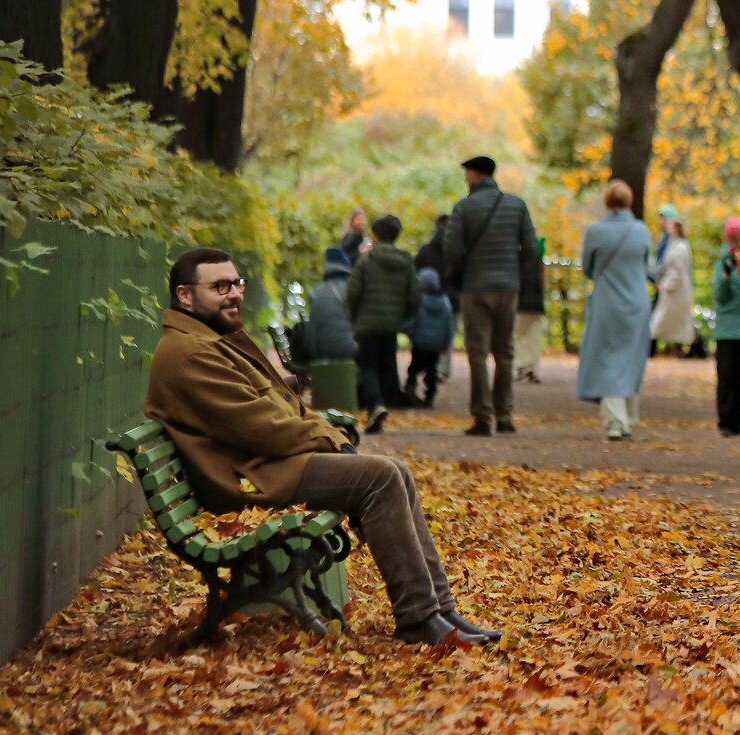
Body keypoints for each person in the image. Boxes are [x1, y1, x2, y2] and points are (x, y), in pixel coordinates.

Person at [144, 247, 502, 646]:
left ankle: (439, 609)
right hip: (248, 476)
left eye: (237, 284)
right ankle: (419, 617)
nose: (235, 294)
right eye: (220, 287)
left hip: (260, 462)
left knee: (394, 470)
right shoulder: (191, 352)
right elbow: (261, 427)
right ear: (185, 295)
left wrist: (325, 433)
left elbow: (273, 408)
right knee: (380, 477)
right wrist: (331, 439)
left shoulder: (207, 339)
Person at [444, 155, 541, 437]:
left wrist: (462, 273)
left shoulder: (464, 207)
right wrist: (516, 276)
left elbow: (451, 249)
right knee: (505, 352)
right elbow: (532, 248)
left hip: (475, 288)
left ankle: (483, 416)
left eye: (467, 174)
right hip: (508, 287)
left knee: (478, 353)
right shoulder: (517, 205)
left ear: (475, 175)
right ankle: (505, 415)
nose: (466, 179)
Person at [576, 180, 652, 441]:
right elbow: (646, 265)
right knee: (632, 357)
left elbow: (587, 268)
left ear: (607, 202)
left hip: (608, 302)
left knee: (607, 357)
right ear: (629, 201)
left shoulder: (595, 231)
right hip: (637, 303)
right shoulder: (641, 230)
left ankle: (615, 421)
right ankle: (629, 417)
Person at [346, 214, 420, 434]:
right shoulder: (406, 262)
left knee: (367, 365)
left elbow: (353, 293)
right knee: (385, 364)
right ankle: (382, 402)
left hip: (367, 323)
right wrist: (400, 316)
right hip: (391, 325)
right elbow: (415, 297)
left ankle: (375, 405)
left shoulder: (366, 260)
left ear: (375, 236)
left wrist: (355, 315)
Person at [712, 216, 740, 436]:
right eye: (735, 238)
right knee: (726, 377)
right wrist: (726, 275)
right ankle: (725, 422)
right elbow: (720, 297)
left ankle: (737, 422)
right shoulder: (723, 263)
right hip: (727, 330)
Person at [416, 214, 457, 381]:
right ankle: (443, 369)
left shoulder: (426, 250)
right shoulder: (456, 251)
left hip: (426, 298)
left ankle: (427, 366)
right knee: (448, 333)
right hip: (452, 298)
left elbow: (416, 270)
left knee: (426, 332)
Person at [405, 268, 455, 408]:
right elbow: (449, 327)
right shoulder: (445, 303)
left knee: (414, 367)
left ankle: (410, 386)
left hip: (419, 343)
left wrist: (407, 330)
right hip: (435, 346)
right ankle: (430, 395)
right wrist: (446, 344)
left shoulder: (419, 301)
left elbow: (412, 321)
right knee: (432, 370)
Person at [648, 219, 696, 355]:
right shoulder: (674, 244)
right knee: (662, 321)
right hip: (672, 288)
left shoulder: (680, 247)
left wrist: (665, 285)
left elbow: (678, 271)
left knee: (663, 321)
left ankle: (691, 348)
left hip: (675, 290)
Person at [303, 247, 358, 362]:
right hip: (352, 349)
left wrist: (313, 357)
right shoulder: (354, 290)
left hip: (324, 350)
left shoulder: (316, 293)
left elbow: (312, 330)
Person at [514, 236, 547, 384]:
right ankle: (534, 369)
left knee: (516, 335)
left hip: (522, 303)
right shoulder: (538, 262)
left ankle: (522, 363)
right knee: (535, 338)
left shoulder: (518, 259)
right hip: (537, 304)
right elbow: (543, 283)